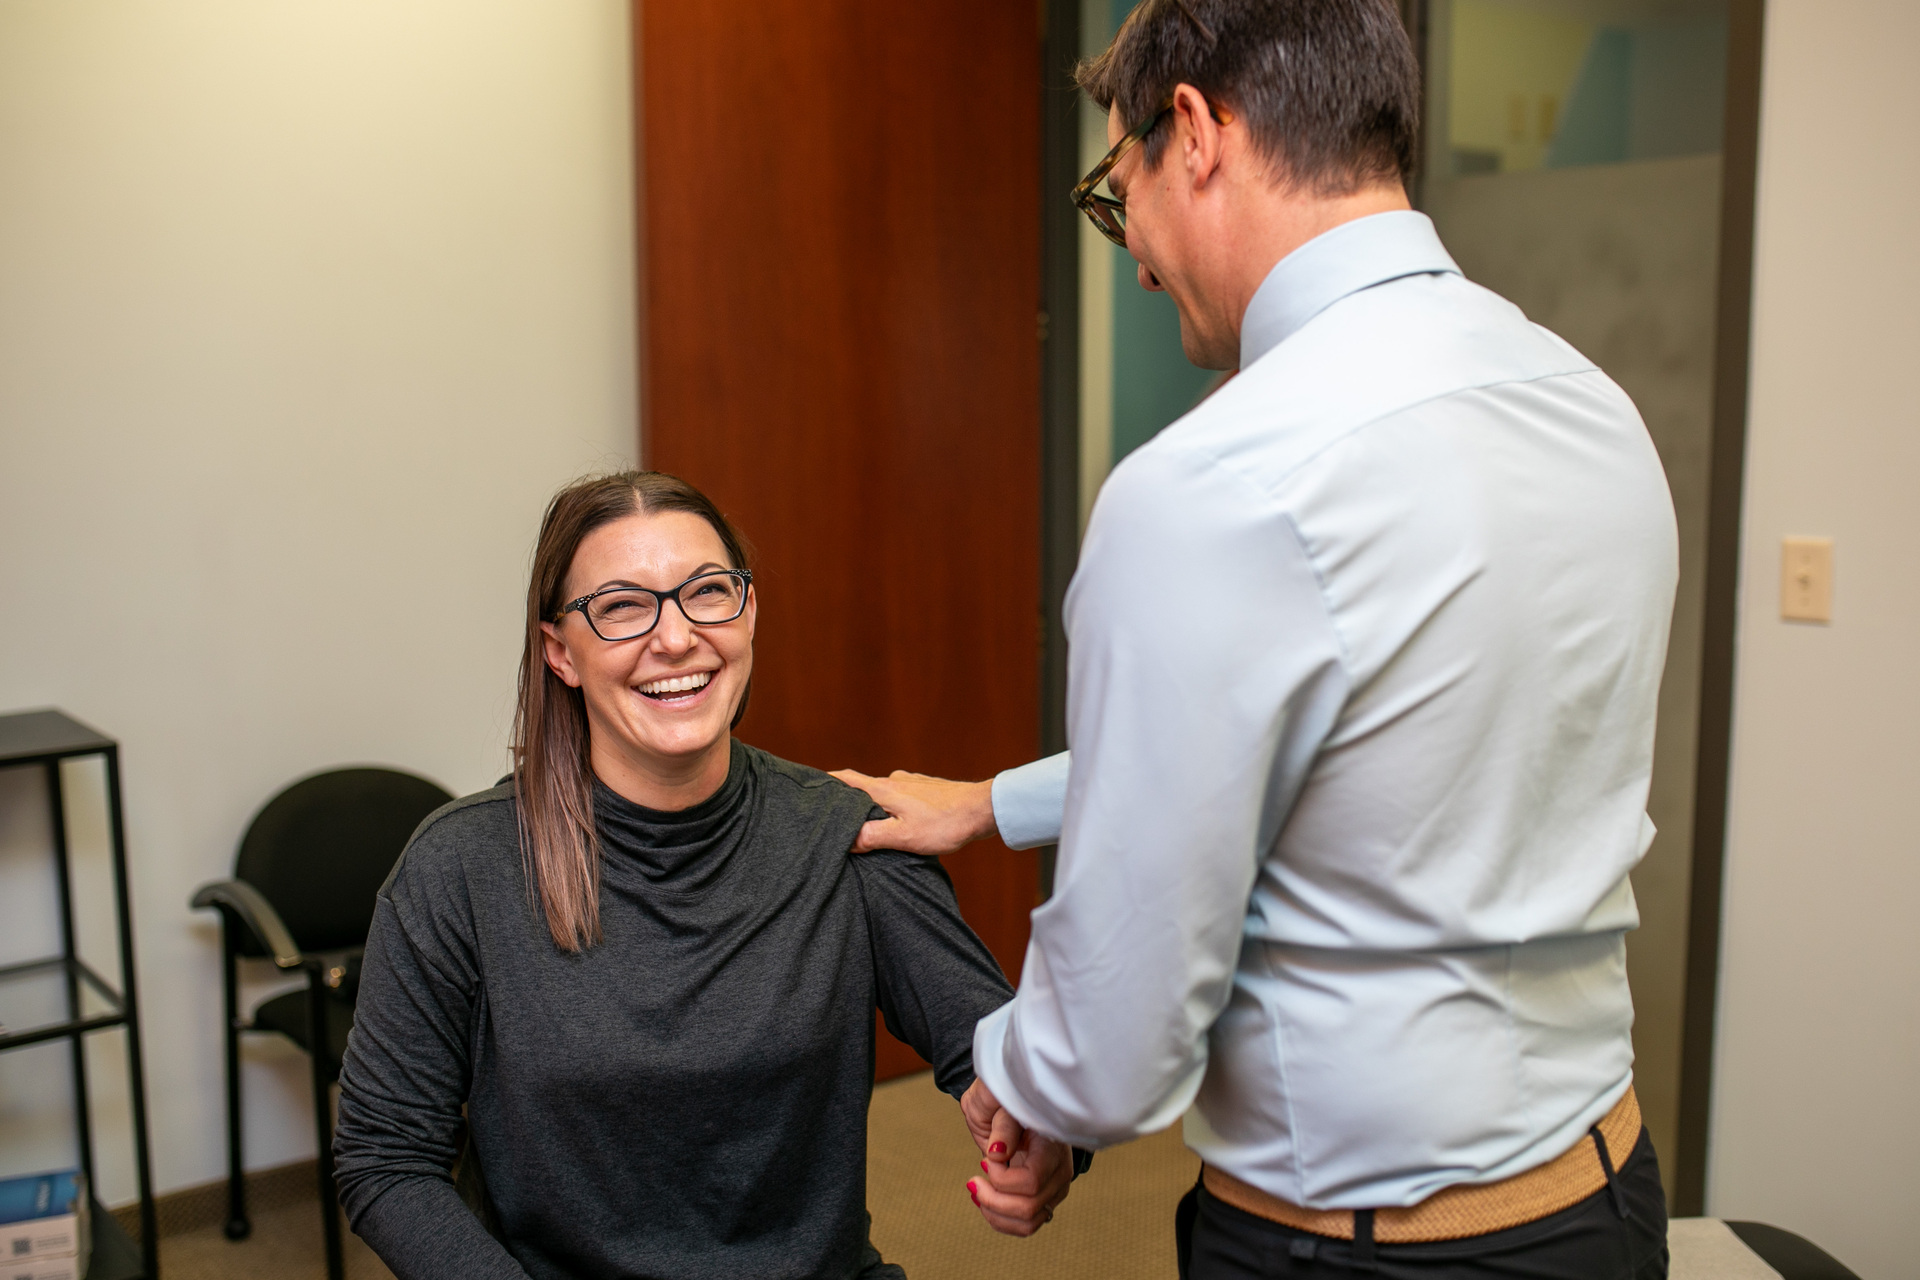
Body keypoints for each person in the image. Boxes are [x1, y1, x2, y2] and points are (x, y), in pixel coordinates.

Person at [835, 1, 1678, 1276]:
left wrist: (1023, 1077)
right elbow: (1384, 735)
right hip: (1605, 1198)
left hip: (1370, 1252)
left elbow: (1118, 1045)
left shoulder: (1219, 485)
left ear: (1193, 130)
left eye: (1118, 194)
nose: (1130, 259)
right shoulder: (1584, 400)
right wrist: (996, 803)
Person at [332, 471, 1075, 1280]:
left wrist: (1039, 1131)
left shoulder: (845, 837)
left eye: (707, 593)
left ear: (748, 613)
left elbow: (997, 1056)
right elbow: (384, 1158)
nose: (676, 636)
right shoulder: (461, 868)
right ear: (560, 653)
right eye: (620, 606)